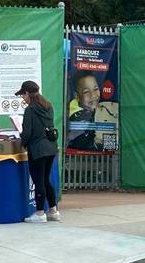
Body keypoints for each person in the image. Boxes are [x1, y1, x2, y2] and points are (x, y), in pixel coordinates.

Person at [16, 80, 61, 224]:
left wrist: (22, 143)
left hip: (37, 149)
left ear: (27, 93)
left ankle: (40, 213)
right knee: (46, 179)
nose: (23, 99)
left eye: (23, 95)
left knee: (38, 181)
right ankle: (53, 211)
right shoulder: (48, 106)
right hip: (51, 148)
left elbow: (27, 132)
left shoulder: (30, 110)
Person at [66, 72, 101, 151]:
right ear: (77, 96)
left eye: (96, 89)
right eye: (86, 92)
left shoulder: (98, 109)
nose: (93, 95)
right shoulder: (78, 117)